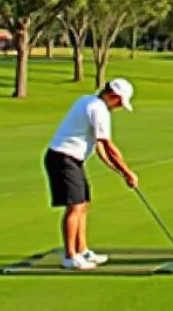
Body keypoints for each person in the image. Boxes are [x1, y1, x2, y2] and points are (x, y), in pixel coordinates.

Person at [43, 78, 138, 271]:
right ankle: (70, 257)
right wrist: (128, 173)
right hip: (63, 158)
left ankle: (83, 250)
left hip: (71, 159)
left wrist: (119, 171)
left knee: (83, 205)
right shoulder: (98, 109)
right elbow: (108, 146)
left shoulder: (87, 100)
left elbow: (99, 148)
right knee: (75, 207)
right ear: (114, 96)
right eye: (120, 103)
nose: (119, 107)